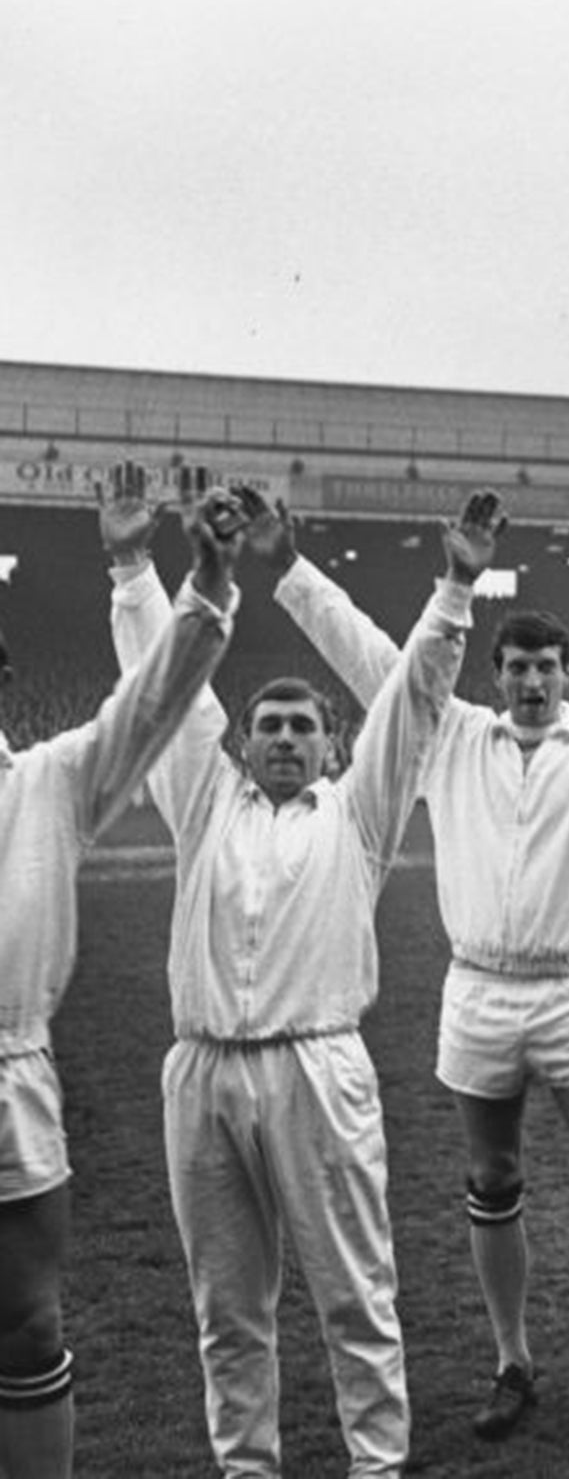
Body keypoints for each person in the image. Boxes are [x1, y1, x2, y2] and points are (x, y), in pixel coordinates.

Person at [239, 457, 569, 1439]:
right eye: (515, 669)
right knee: (491, 1179)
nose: (532, 682)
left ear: (567, 677)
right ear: (496, 677)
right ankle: (512, 1364)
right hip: (476, 994)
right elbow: (370, 657)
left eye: (546, 669)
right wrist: (290, 567)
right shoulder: (449, 734)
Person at [101, 465, 490, 1477]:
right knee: (226, 1309)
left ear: (332, 747)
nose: (281, 739)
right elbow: (159, 687)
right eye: (265, 726)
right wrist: (134, 567)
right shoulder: (203, 803)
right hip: (201, 1075)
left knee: (355, 1295)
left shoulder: (361, 818)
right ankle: (247, 1469)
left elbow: (413, 699)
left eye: (301, 727)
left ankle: (376, 1468)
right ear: (242, 741)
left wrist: (452, 593)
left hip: (319, 1070)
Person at [0, 480, 238, 1479]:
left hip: (8, 1079)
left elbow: (148, 708)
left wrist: (203, 580)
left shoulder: (45, 782)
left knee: (22, 1324)